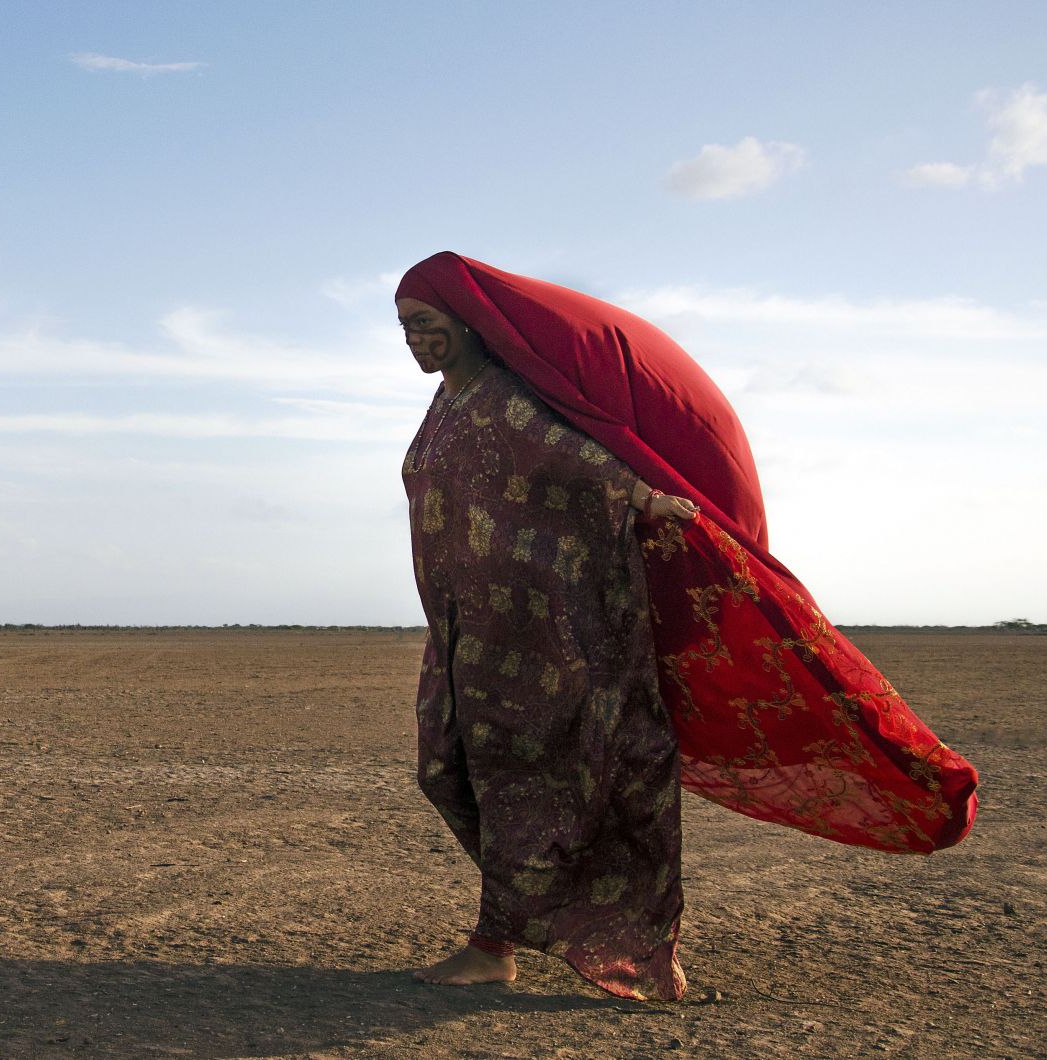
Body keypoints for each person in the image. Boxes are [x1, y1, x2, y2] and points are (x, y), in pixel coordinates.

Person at [394, 252, 978, 1000]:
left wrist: (643, 497)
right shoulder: (445, 406)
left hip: (545, 635)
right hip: (468, 633)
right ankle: (521, 923)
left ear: (468, 321)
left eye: (426, 323)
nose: (414, 341)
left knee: (529, 783)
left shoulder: (504, 399)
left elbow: (573, 458)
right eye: (405, 329)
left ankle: (503, 944)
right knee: (449, 770)